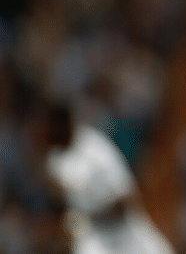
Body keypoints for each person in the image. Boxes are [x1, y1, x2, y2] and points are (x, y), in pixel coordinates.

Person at [32, 98, 176, 254]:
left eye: (46, 125)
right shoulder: (54, 159)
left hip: (125, 236)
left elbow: (126, 199)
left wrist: (89, 217)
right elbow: (60, 197)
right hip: (93, 240)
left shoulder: (95, 150)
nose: (42, 131)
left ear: (61, 124)